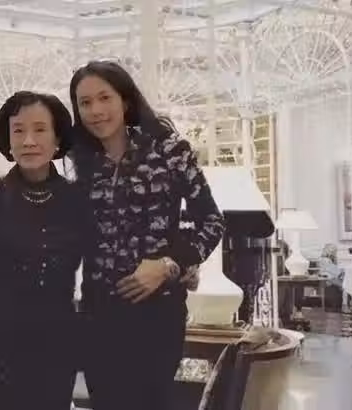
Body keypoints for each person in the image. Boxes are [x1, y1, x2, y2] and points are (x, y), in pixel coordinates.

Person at [68, 60, 225, 410]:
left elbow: (212, 221)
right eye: (85, 103)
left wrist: (170, 264)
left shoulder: (169, 151)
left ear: (125, 101)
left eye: (104, 98)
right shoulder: (83, 163)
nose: (95, 110)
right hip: (97, 316)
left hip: (157, 315)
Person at [0, 91, 84, 410]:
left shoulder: (76, 201)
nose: (28, 141)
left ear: (57, 138)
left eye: (40, 129)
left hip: (55, 357)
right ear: (8, 140)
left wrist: (176, 264)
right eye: (18, 130)